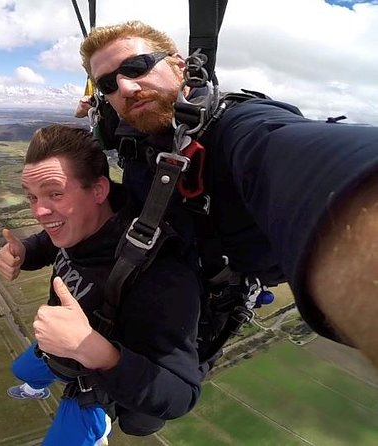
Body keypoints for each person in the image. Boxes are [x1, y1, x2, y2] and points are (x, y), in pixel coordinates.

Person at [75, 21, 378, 366]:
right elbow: (116, 124)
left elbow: (296, 155)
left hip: (200, 312)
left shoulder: (236, 128)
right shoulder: (136, 122)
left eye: (137, 66)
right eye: (109, 83)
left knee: (141, 416)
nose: (126, 87)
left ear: (179, 64)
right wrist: (96, 111)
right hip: (151, 286)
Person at [0, 124, 203, 444]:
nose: (39, 211)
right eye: (32, 197)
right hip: (63, 341)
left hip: (96, 378)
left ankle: (98, 426)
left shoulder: (159, 276)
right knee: (22, 371)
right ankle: (35, 386)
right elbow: (57, 241)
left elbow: (180, 395)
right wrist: (26, 252)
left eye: (54, 194)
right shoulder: (85, 221)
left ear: (98, 190)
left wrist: (93, 350)